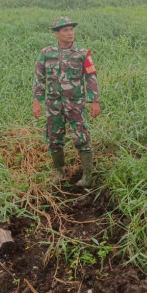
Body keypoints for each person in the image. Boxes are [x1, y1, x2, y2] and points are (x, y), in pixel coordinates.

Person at [33, 16, 101, 187]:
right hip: (53, 104)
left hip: (75, 103)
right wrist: (37, 101)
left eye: (72, 29)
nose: (70, 33)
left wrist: (94, 101)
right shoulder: (46, 53)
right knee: (54, 138)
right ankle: (60, 172)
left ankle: (87, 176)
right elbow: (39, 79)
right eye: (65, 30)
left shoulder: (83, 53)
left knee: (81, 137)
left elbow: (91, 77)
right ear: (56, 33)